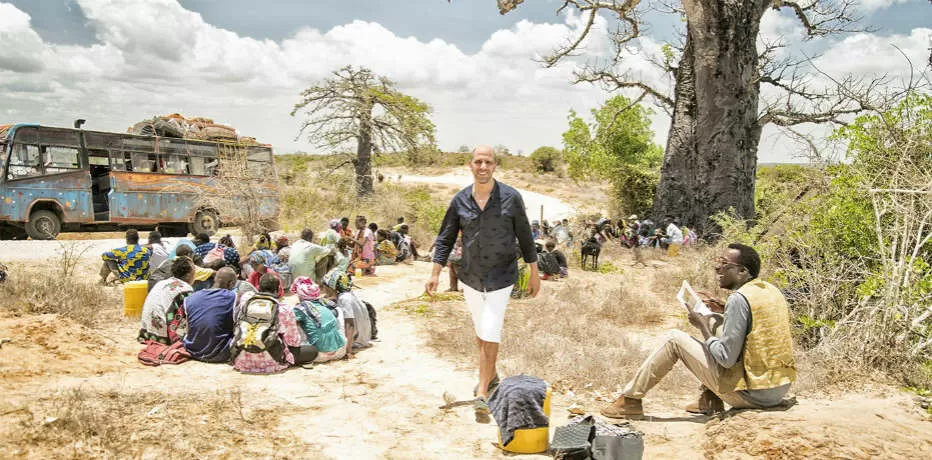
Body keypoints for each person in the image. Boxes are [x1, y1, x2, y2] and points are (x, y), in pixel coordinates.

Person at [601, 243, 797, 418]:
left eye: (724, 264)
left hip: (753, 396)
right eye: (718, 261)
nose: (717, 267)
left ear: (742, 272)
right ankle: (710, 400)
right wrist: (722, 311)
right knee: (716, 321)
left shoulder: (738, 300)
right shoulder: (769, 289)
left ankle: (630, 401)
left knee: (674, 339)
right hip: (777, 389)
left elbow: (727, 358)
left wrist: (702, 325)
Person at [426, 145, 540, 421]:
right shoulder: (460, 201)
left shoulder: (511, 198)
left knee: (490, 329)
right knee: (481, 331)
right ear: (470, 165)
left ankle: (483, 394)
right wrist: (435, 272)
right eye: (478, 162)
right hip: (471, 277)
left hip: (502, 276)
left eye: (488, 162)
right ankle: (491, 375)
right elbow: (445, 237)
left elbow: (525, 236)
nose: (483, 166)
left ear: (495, 166)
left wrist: (534, 271)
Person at [231, 273, 305, 373]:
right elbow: (292, 340)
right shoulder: (283, 309)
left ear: (258, 287)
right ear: (277, 290)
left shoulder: (246, 301)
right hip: (272, 361)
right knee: (311, 351)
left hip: (242, 360)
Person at [183, 267, 237, 363]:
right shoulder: (233, 297)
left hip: (192, 350)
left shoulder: (191, 297)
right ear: (231, 283)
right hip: (219, 354)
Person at [138, 257, 196, 344]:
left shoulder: (162, 283)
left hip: (147, 334)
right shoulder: (185, 288)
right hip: (164, 338)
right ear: (189, 274)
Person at [291, 276, 347, 363]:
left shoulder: (301, 309)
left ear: (300, 296)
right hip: (340, 350)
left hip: (318, 354)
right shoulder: (325, 302)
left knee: (295, 323)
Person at [321, 269, 373, 359]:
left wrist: (348, 351)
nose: (323, 289)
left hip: (356, 341)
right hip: (363, 336)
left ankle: (349, 346)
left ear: (331, 287)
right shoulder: (348, 294)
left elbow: (350, 324)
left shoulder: (344, 299)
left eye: (325, 286)